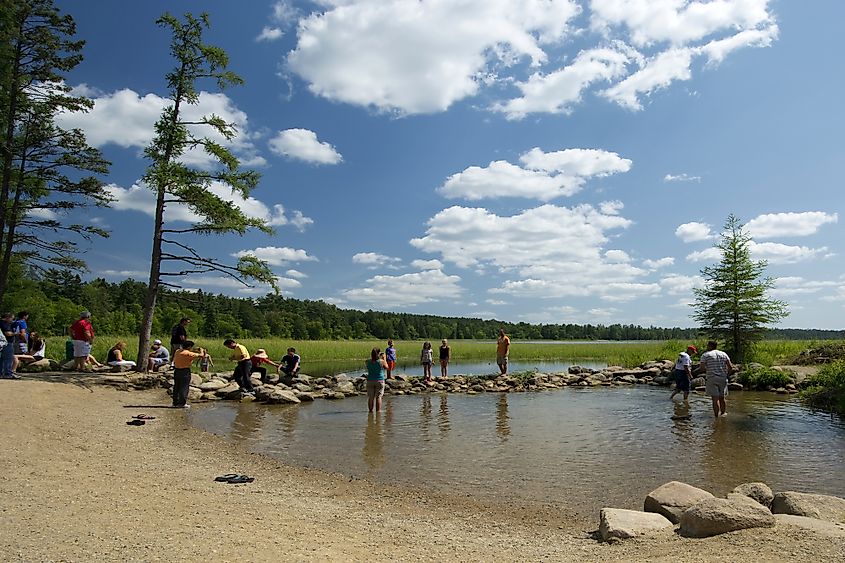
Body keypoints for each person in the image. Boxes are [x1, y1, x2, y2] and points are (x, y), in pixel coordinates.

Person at [700, 340, 735, 418]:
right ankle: (723, 414)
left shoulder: (705, 355)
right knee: (722, 397)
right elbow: (730, 367)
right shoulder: (723, 354)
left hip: (712, 378)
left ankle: (716, 416)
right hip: (723, 378)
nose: (706, 347)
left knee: (715, 399)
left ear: (710, 346)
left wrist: (708, 370)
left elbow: (702, 368)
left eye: (707, 345)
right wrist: (726, 375)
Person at [172, 340, 205, 408]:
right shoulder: (188, 353)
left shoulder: (177, 351)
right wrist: (201, 350)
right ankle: (182, 403)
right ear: (189, 346)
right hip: (185, 371)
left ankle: (175, 402)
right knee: (184, 387)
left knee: (177, 387)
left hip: (177, 370)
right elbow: (201, 356)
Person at [366, 347, 388, 413]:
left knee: (371, 397)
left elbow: (370, 363)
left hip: (370, 380)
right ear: (378, 353)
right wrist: (384, 358)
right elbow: (387, 367)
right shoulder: (381, 361)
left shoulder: (367, 361)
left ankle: (370, 412)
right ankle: (378, 412)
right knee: (378, 397)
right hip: (379, 380)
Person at [0, 312, 16, 379]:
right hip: (6, 343)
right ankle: (7, 374)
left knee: (1, 359)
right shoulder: (4, 323)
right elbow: (8, 333)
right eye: (12, 319)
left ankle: (1, 373)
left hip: (2, 344)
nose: (12, 320)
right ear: (7, 318)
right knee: (8, 359)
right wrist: (16, 333)